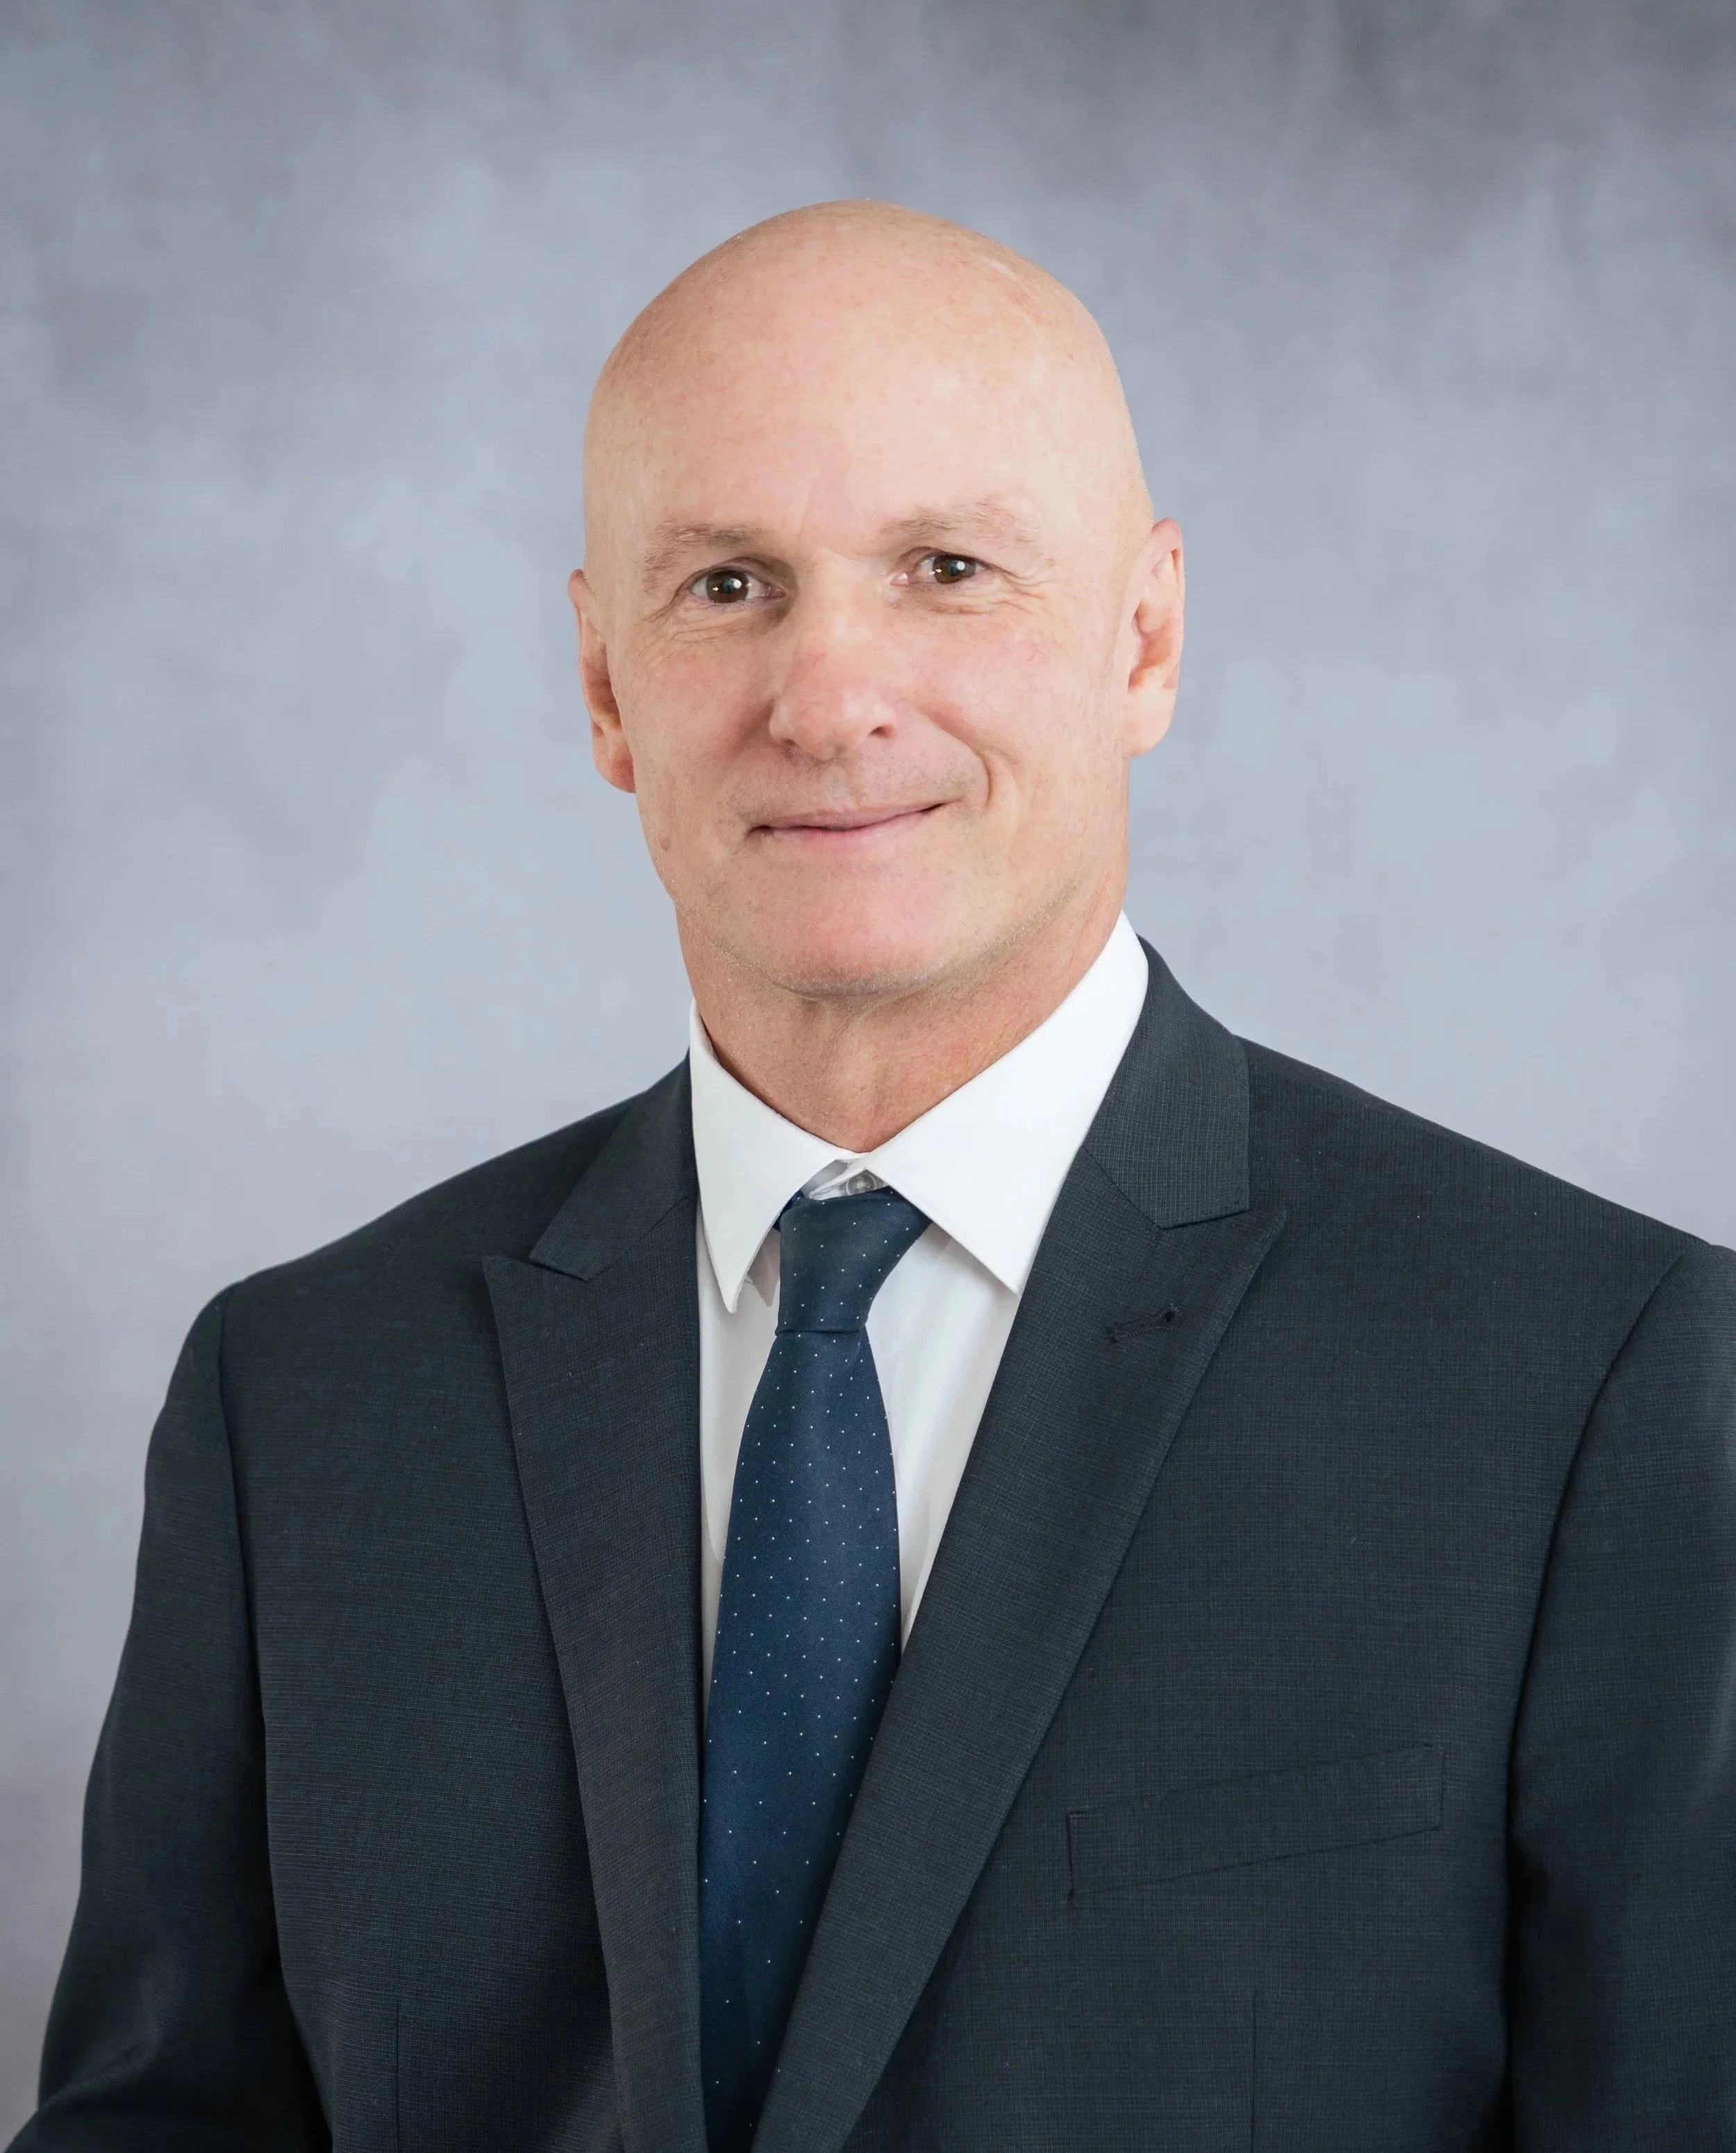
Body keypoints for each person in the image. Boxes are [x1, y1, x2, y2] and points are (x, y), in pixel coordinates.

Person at [13, 200, 1734, 2153]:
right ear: (602, 682)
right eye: (731, 583)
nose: (830, 696)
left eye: (946, 567)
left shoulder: (1593, 1381)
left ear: (1142, 636)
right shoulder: (300, 1396)